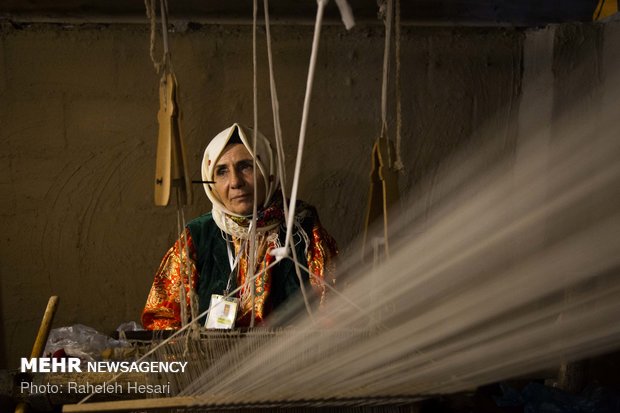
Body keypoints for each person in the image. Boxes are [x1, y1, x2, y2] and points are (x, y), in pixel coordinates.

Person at [142, 123, 338, 330]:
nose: (235, 182)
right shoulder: (199, 236)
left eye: (246, 166)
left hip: (292, 359)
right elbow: (162, 319)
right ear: (210, 183)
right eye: (222, 172)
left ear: (269, 172)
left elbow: (335, 312)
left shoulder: (303, 231)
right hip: (215, 360)